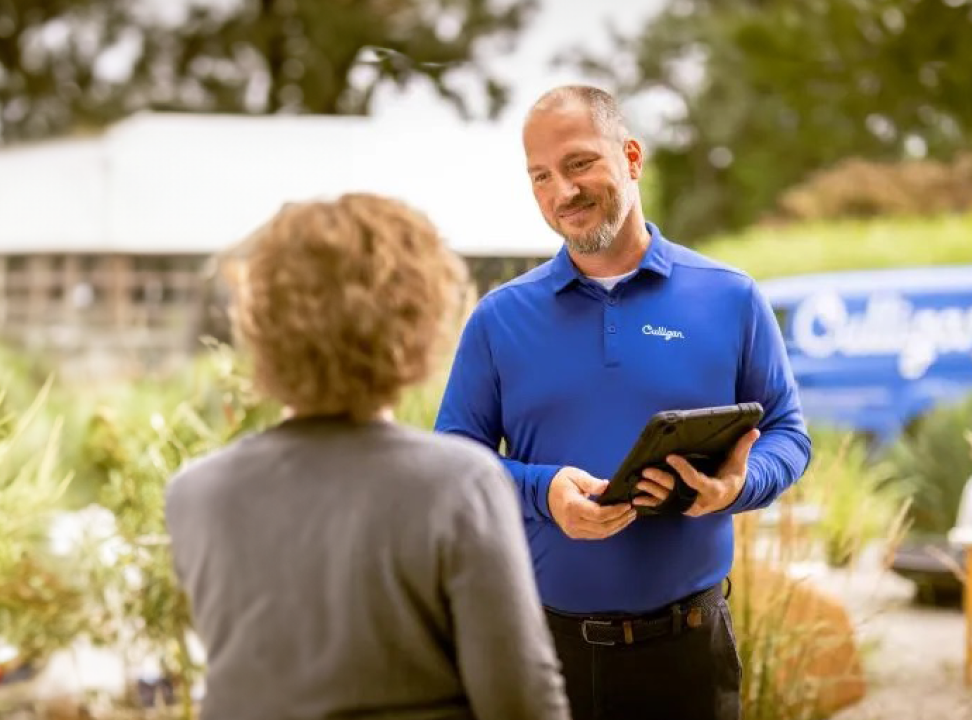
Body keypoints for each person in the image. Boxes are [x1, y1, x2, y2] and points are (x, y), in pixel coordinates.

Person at [433, 85, 813, 720]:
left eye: (579, 163)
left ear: (631, 158)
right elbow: (453, 462)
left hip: (690, 655)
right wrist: (543, 490)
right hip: (544, 652)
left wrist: (737, 486)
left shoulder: (730, 298)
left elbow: (788, 435)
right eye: (541, 177)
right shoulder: (499, 319)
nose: (562, 192)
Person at [164, 192, 572, 720]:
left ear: (260, 319)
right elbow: (522, 705)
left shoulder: (195, 493)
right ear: (415, 319)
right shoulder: (458, 484)